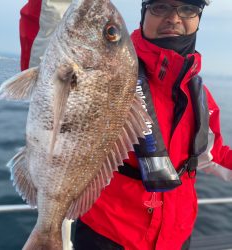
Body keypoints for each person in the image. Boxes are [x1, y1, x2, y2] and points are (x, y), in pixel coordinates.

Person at [19, 0, 232, 249]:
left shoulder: (201, 97)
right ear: (143, 14)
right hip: (108, 236)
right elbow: (45, 31)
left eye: (187, 9)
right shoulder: (108, 76)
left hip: (177, 237)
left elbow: (214, 155)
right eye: (160, 7)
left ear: (198, 19)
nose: (174, 18)